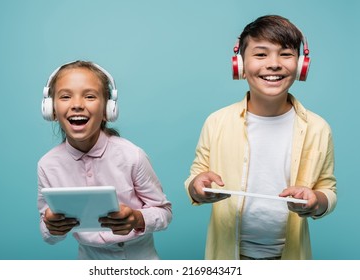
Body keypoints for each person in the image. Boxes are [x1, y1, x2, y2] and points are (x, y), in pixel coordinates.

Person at [184, 15, 336, 260]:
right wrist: (197, 186)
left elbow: (327, 189)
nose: (274, 64)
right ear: (240, 65)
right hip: (228, 256)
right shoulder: (217, 121)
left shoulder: (318, 128)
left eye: (286, 54)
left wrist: (317, 201)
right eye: (261, 54)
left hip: (290, 257)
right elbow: (196, 175)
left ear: (300, 65)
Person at [37, 60, 172, 260]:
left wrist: (138, 218)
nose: (77, 105)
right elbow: (47, 233)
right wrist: (52, 227)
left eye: (90, 96)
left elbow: (165, 213)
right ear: (51, 109)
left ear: (108, 109)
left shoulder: (132, 156)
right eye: (65, 97)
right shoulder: (47, 165)